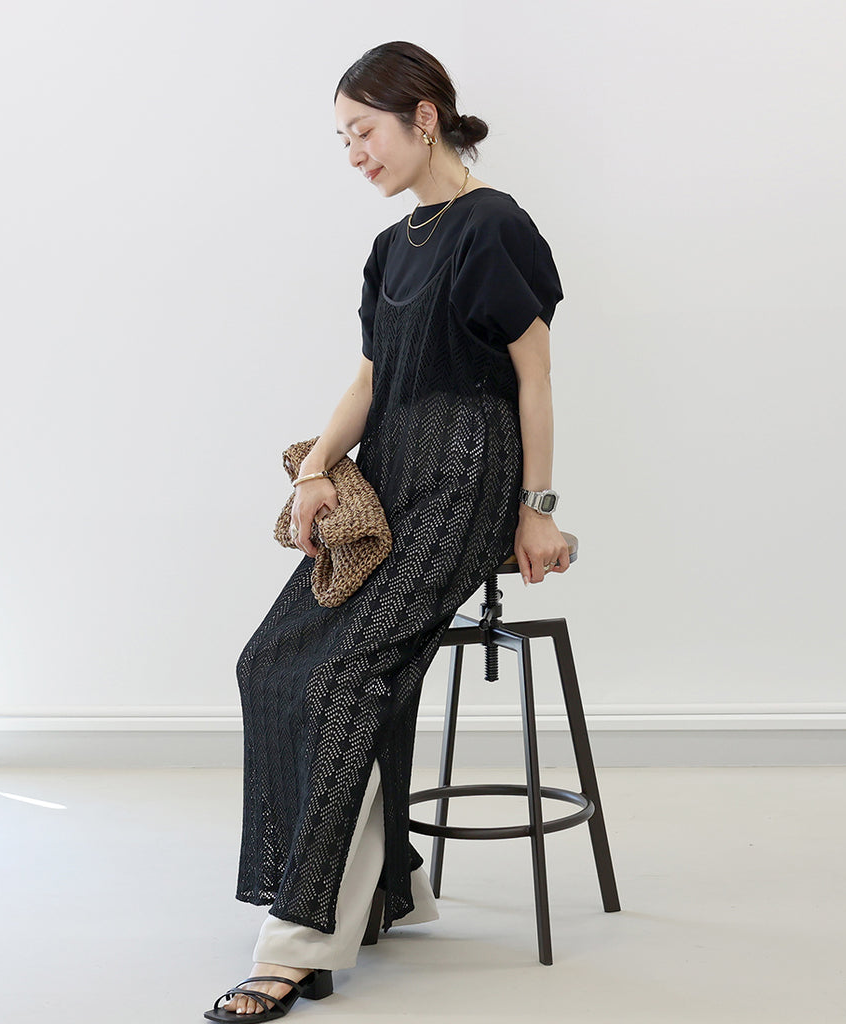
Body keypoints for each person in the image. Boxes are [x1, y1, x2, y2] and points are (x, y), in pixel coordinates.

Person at [205, 40, 570, 1021]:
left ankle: (296, 942)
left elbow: (535, 375)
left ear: (424, 117)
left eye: (362, 131)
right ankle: (380, 885)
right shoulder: (389, 246)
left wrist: (537, 510)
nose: (353, 153)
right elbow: (371, 378)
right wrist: (316, 469)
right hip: (392, 479)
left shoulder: (493, 225)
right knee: (269, 660)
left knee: (341, 677)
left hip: (465, 483)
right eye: (342, 138)